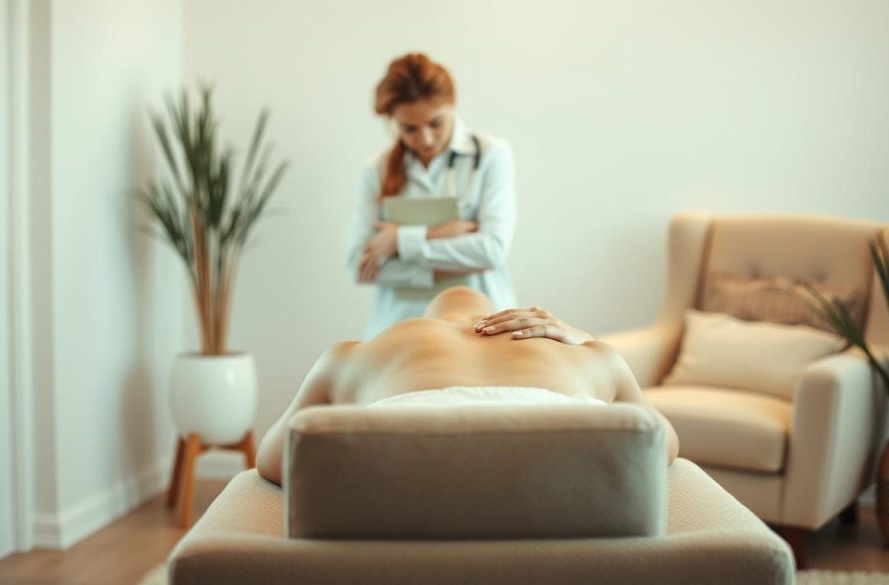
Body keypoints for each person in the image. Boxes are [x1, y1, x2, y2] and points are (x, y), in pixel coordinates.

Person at [257, 287, 679, 486]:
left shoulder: (359, 351)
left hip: (409, 434)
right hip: (560, 434)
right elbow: (664, 443)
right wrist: (583, 336)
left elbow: (276, 459)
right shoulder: (585, 350)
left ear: (426, 322)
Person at [347, 53, 517, 339]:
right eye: (409, 129)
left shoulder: (491, 155)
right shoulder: (375, 170)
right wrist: (443, 239)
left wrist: (399, 240)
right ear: (392, 121)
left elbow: (492, 250)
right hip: (399, 332)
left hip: (482, 329)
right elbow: (359, 266)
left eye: (436, 123)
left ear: (452, 104)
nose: (425, 139)